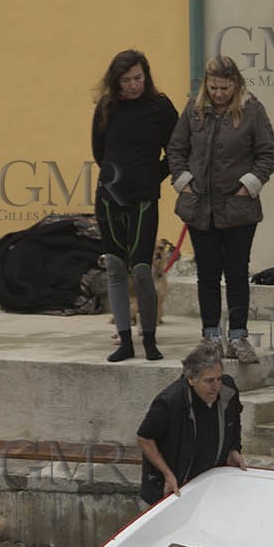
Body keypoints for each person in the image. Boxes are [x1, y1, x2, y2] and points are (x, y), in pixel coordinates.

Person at [169, 55, 274, 364]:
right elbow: (176, 149)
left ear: (236, 84)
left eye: (224, 87)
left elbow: (268, 155)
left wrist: (248, 185)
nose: (218, 94)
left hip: (238, 209)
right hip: (200, 207)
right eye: (214, 87)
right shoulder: (193, 111)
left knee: (236, 273)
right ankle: (210, 337)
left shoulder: (252, 111)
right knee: (206, 273)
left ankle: (239, 337)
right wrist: (184, 182)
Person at [92, 49, 178, 364]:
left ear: (147, 76)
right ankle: (125, 340)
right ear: (116, 82)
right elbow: (99, 151)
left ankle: (150, 338)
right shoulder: (106, 107)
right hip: (110, 198)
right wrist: (117, 180)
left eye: (138, 78)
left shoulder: (160, 107)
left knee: (142, 269)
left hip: (143, 199)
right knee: (116, 267)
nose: (133, 85)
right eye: (126, 80)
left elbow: (178, 148)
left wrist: (153, 174)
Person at [136, 342, 246, 507]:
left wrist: (234, 448)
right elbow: (144, 438)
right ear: (191, 379)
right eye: (209, 381)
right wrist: (167, 473)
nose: (216, 387)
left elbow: (235, 418)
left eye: (219, 378)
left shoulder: (227, 390)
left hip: (209, 483)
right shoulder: (170, 401)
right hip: (171, 489)